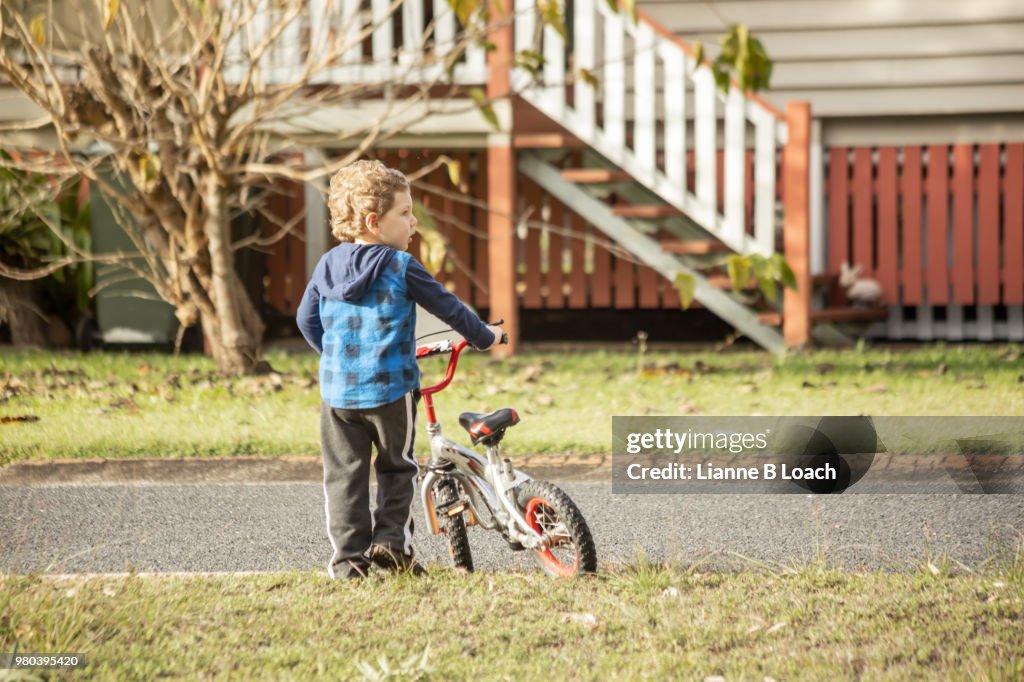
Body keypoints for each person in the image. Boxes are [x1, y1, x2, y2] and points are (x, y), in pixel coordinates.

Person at [296, 159, 500, 579]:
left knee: (343, 478)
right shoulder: (400, 266)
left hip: (336, 395)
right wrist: (485, 337)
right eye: (405, 214)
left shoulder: (326, 265)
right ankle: (391, 544)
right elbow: (450, 310)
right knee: (396, 467)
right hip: (391, 391)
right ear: (373, 222)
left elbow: (306, 321)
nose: (413, 225)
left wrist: (334, 356)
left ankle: (348, 563)